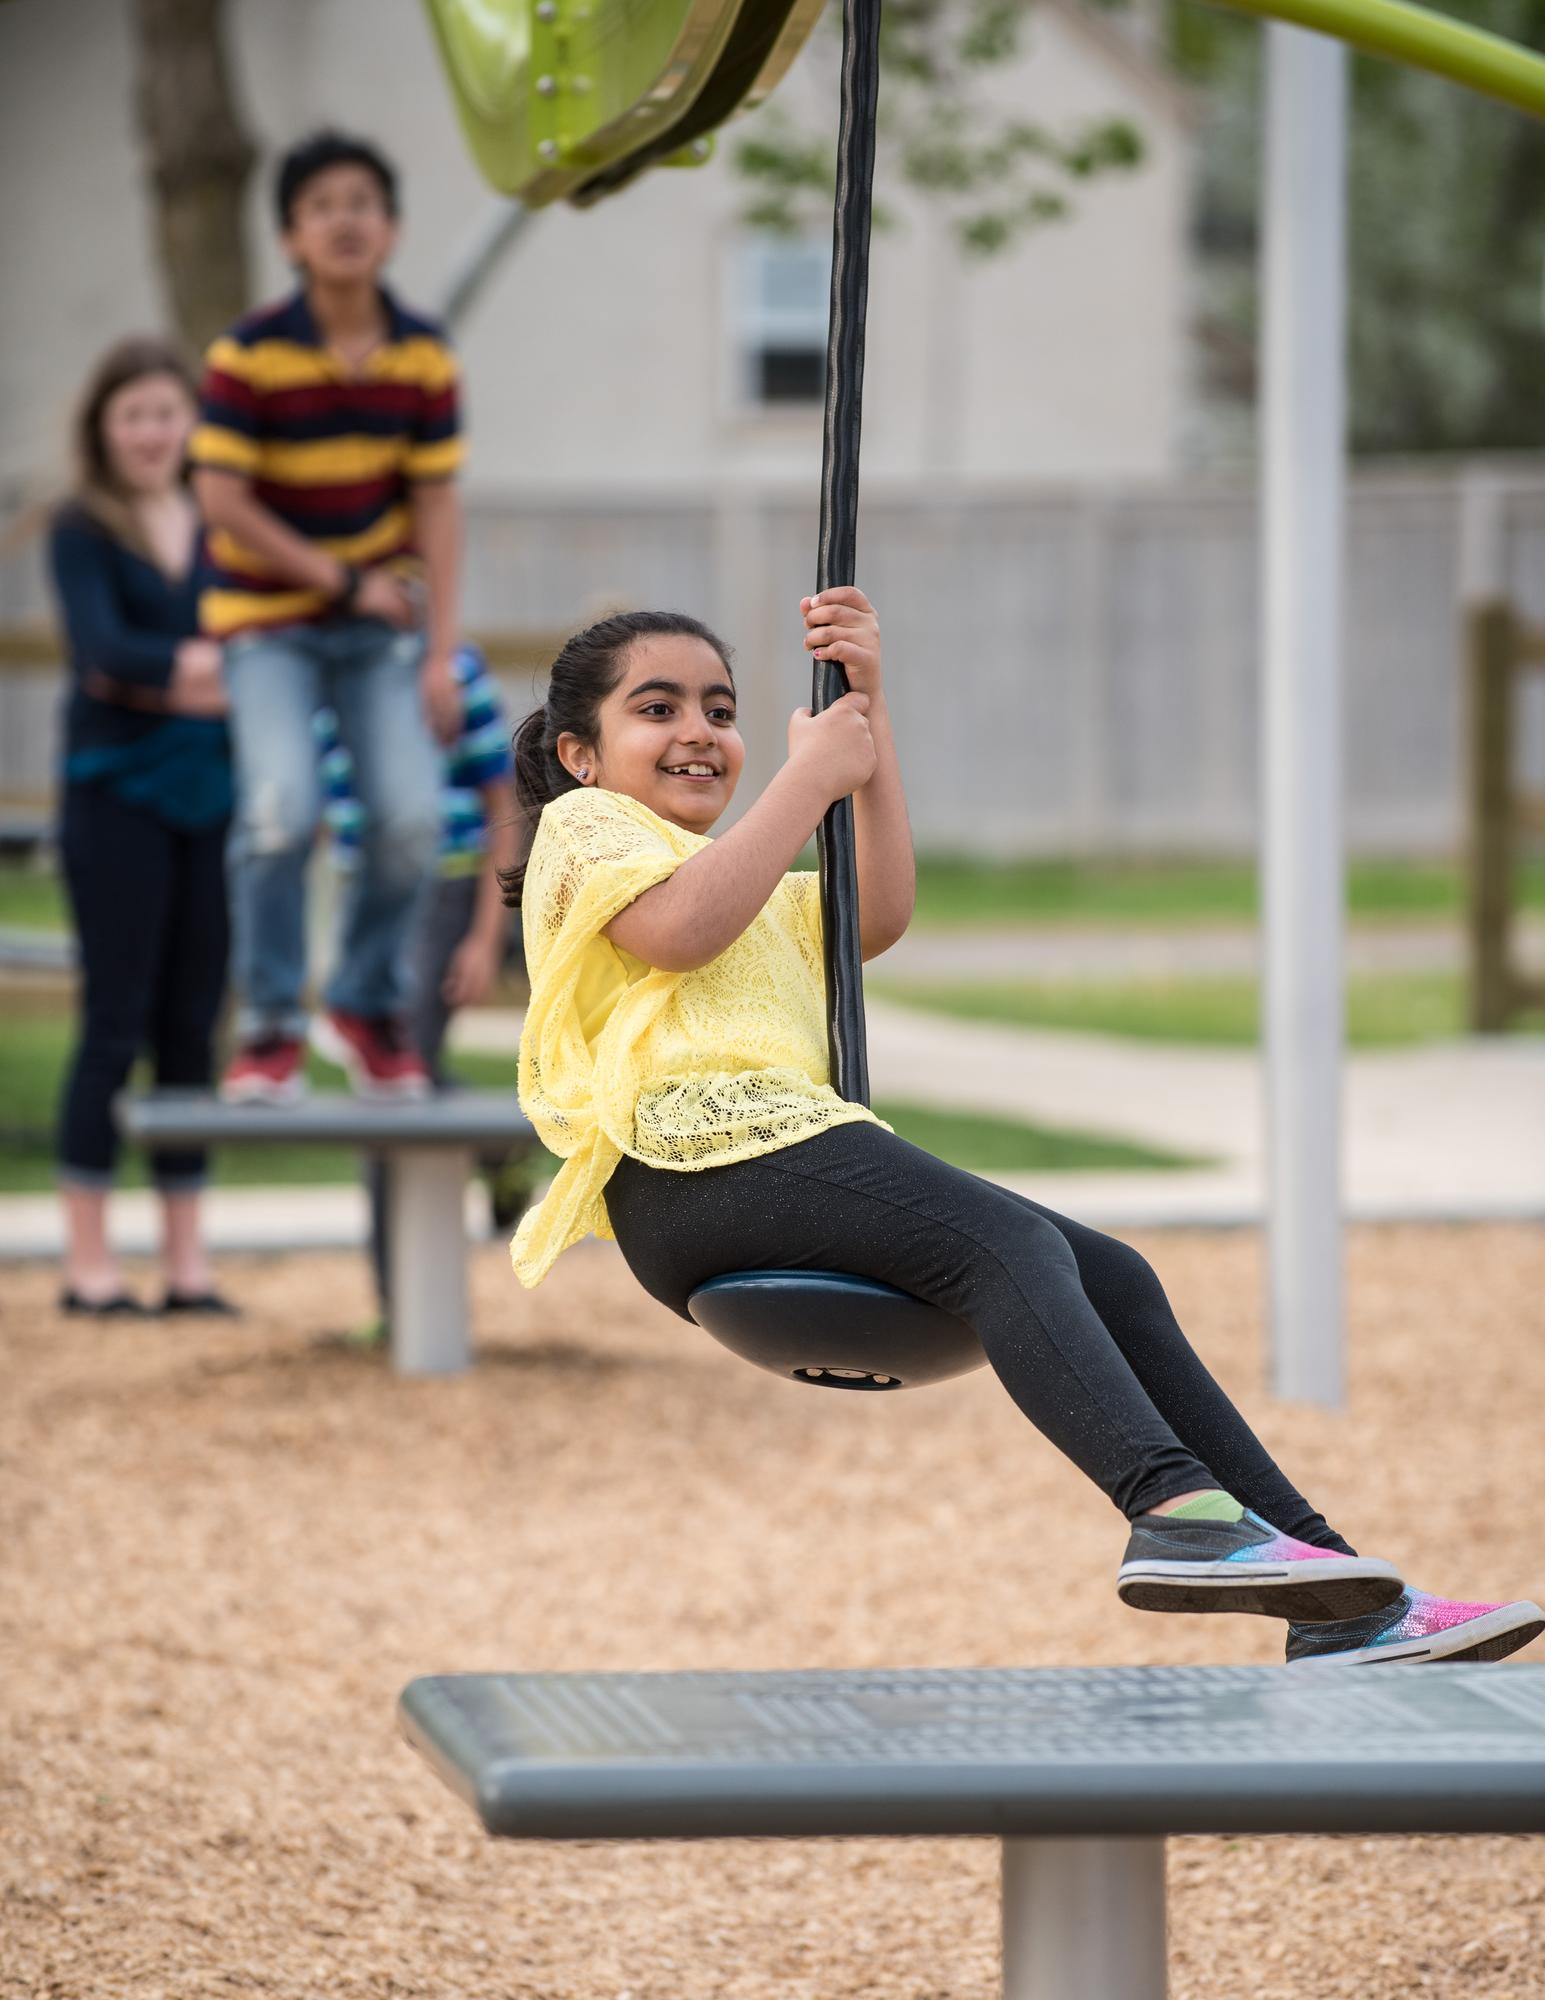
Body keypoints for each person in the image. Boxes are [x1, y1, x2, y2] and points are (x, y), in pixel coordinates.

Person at [504, 591, 1543, 1669]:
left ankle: (1341, 1596)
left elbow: (878, 909)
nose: (698, 732)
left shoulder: (748, 878)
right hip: (688, 1163)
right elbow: (675, 930)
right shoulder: (587, 831)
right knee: (1010, 1244)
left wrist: (870, 711)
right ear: (582, 753)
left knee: (1116, 1274)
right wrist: (808, 777)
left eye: (720, 709)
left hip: (767, 1157)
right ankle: (1174, 1510)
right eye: (657, 708)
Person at [190, 129, 462, 1104]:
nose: (344, 220)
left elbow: (436, 506)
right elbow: (221, 501)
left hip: (377, 632)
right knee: (277, 812)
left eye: (362, 202)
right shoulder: (248, 355)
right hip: (266, 625)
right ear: (291, 236)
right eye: (321, 207)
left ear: (389, 229)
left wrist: (440, 653)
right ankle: (267, 1028)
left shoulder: (423, 353)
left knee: (411, 820)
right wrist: (341, 582)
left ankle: (360, 1002)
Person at [47, 337, 235, 1317]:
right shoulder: (80, 527)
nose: (154, 432)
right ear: (105, 430)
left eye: (168, 412)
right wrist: (217, 677)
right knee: (112, 1022)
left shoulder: (220, 520)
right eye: (135, 416)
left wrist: (182, 678)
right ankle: (89, 1265)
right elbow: (102, 653)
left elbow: (254, 643)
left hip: (213, 798)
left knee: (190, 1026)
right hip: (112, 797)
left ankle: (187, 1263)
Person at [313, 641, 523, 1330]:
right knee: (406, 1078)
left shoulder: (456, 673)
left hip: (444, 892)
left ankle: (397, 1305)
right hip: (360, 895)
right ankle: (501, 1144)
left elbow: (502, 806)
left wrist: (484, 937)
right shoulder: (316, 662)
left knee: (390, 1095)